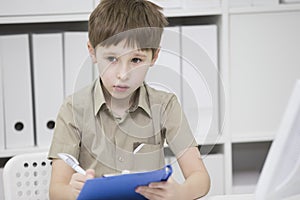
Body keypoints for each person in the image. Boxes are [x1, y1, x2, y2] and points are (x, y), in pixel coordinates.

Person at [48, 0, 210, 199]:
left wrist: (180, 192)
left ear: (154, 57)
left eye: (136, 60)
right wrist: (71, 191)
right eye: (112, 59)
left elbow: (200, 178)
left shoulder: (165, 106)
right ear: (92, 52)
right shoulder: (73, 108)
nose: (123, 74)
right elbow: (56, 191)